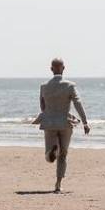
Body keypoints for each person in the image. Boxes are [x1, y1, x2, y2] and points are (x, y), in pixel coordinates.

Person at [36, 58, 90, 193]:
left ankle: (52, 151)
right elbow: (78, 103)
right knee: (63, 155)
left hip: (49, 123)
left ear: (51, 69)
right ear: (64, 68)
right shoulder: (70, 86)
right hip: (65, 123)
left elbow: (42, 107)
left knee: (50, 157)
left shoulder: (44, 86)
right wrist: (85, 122)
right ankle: (58, 184)